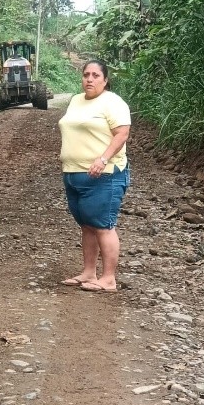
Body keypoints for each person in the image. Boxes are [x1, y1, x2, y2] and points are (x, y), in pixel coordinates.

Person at [58, 59, 131, 292]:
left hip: (104, 174)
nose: (89, 79)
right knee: (87, 225)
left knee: (103, 225)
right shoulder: (75, 100)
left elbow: (122, 134)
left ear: (105, 80)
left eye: (95, 75)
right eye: (86, 75)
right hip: (74, 172)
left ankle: (108, 279)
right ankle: (89, 272)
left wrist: (103, 159)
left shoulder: (113, 102)